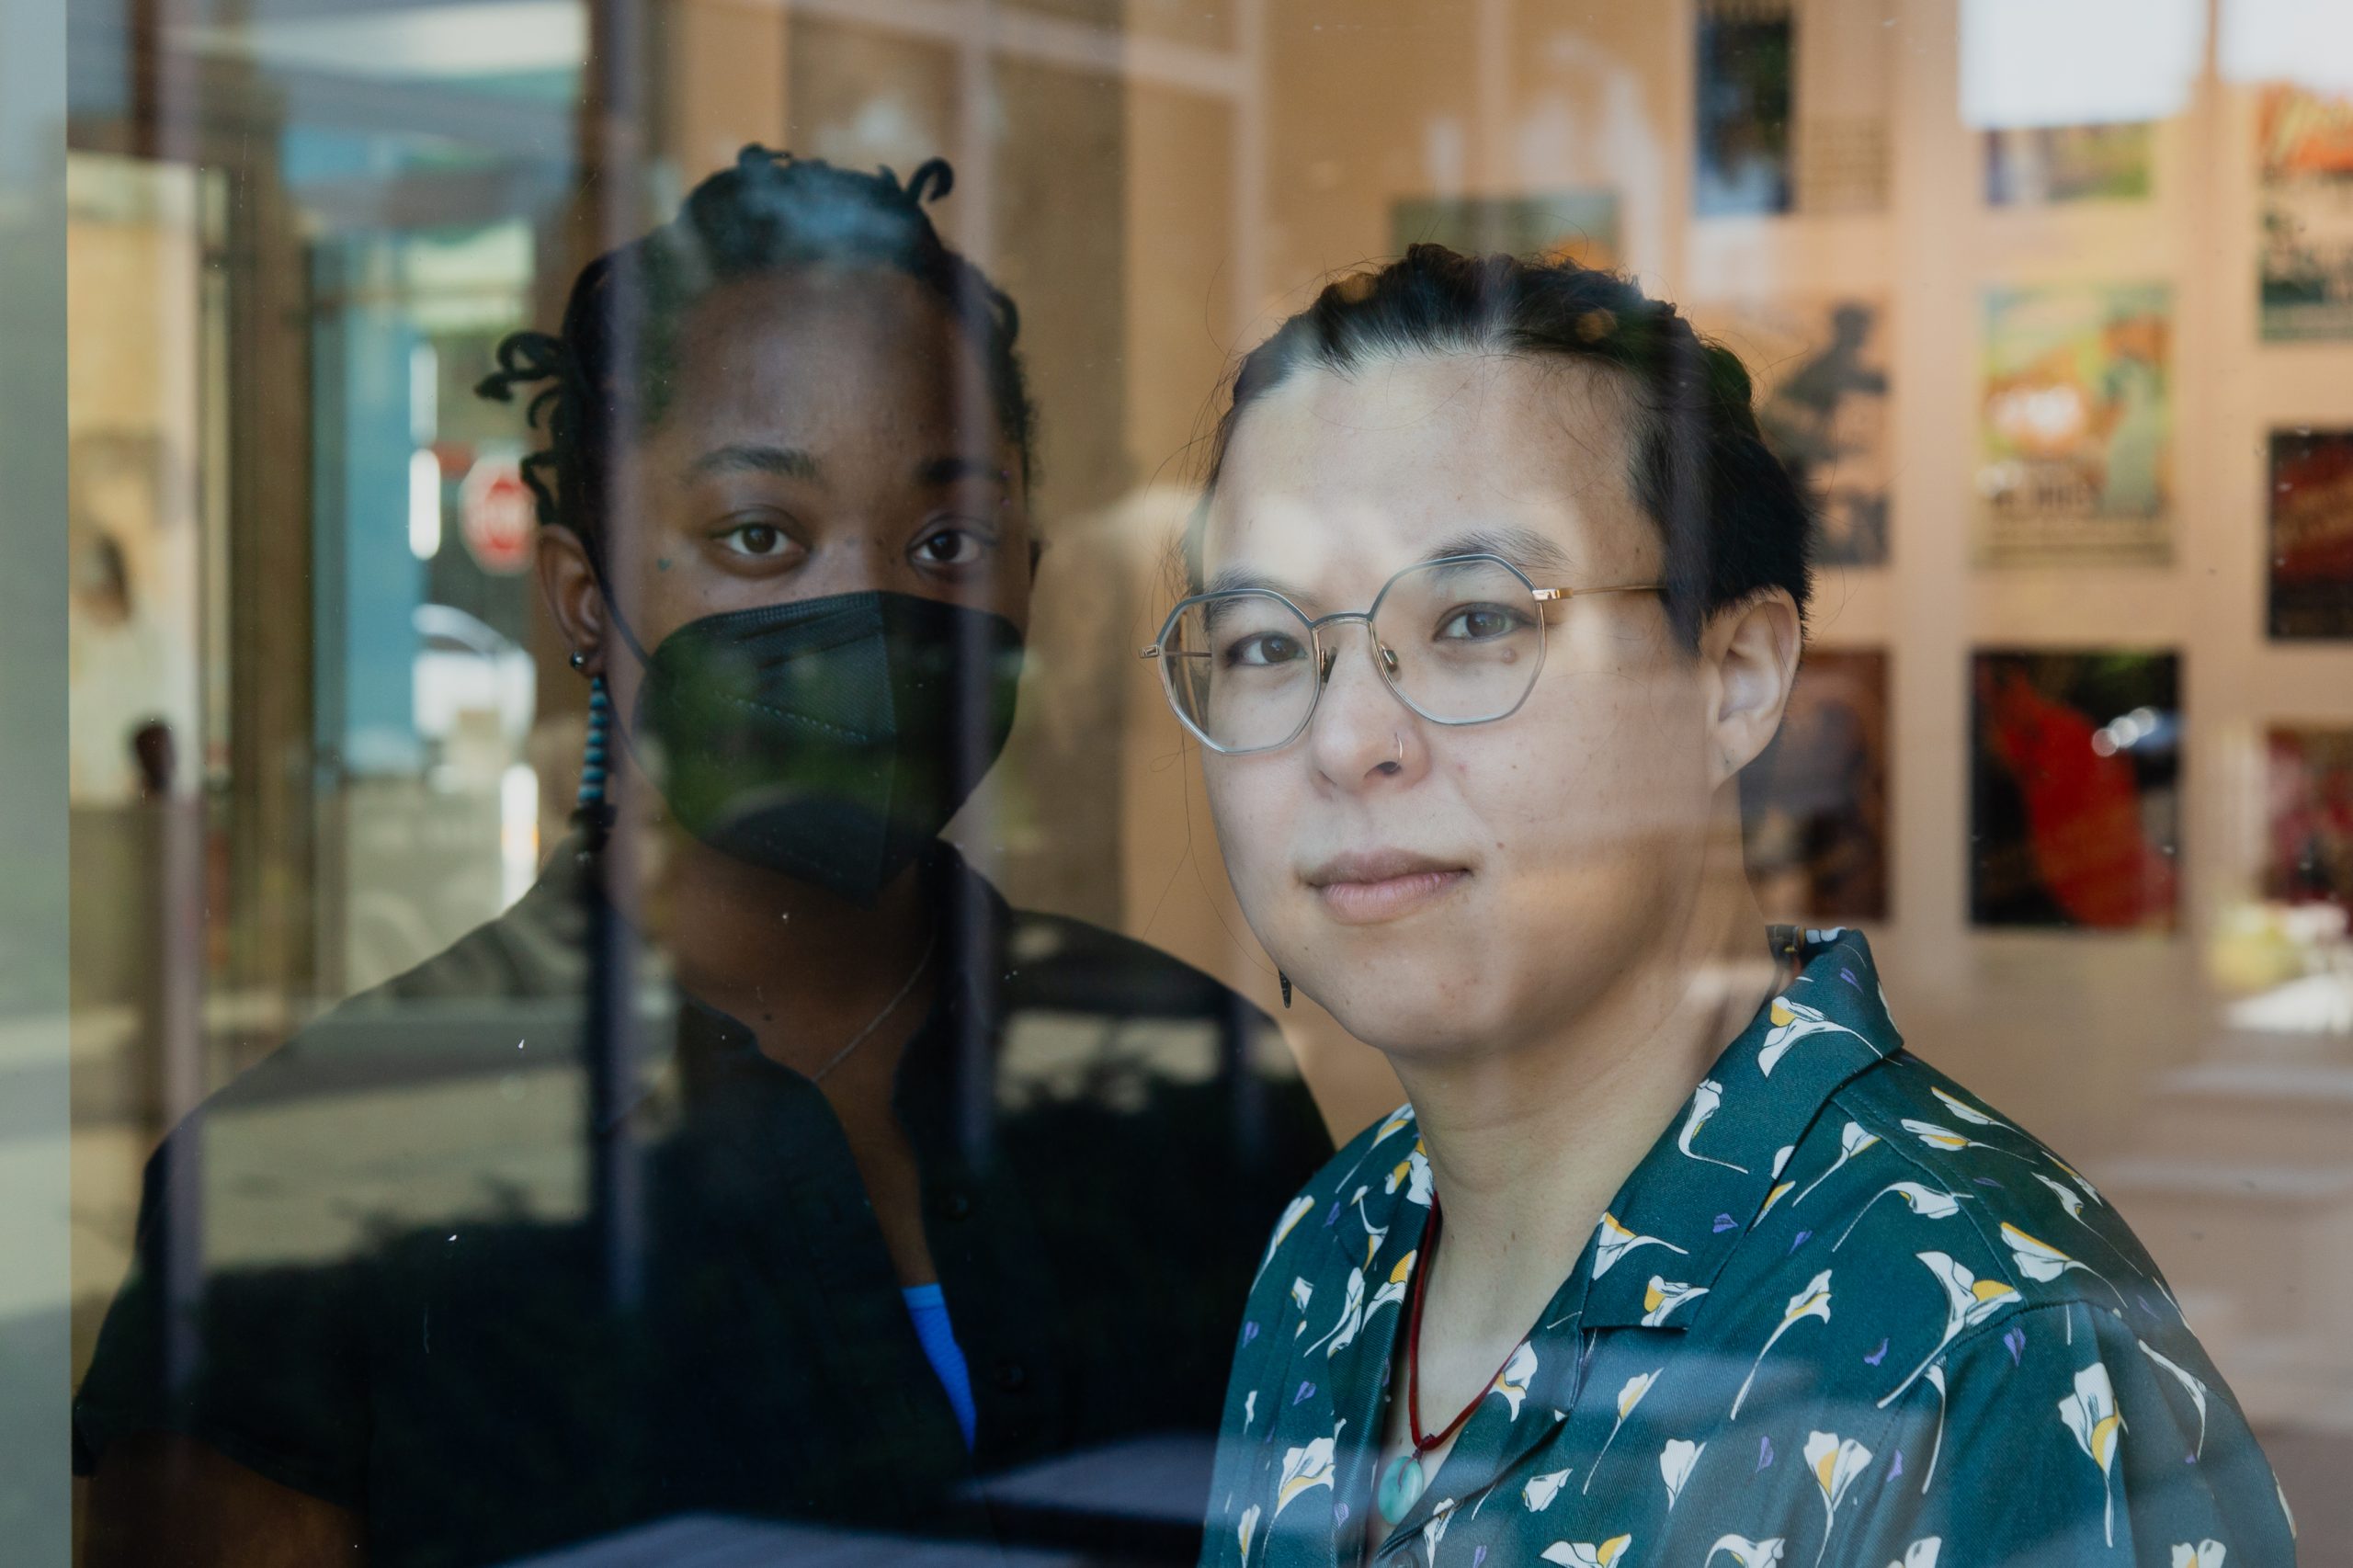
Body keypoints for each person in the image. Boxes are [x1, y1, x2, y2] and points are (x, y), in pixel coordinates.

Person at [74, 148, 1330, 1568]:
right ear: (585, 598)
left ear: (1026, 576)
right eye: (757, 534)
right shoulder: (295, 1197)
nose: (865, 603)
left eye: (946, 535)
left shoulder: (1196, 1091)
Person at [1155, 248, 2295, 1567]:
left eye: (1474, 618)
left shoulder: (1989, 1349)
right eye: (1262, 644)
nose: (1348, 736)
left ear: (1737, 677)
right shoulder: (1330, 1249)